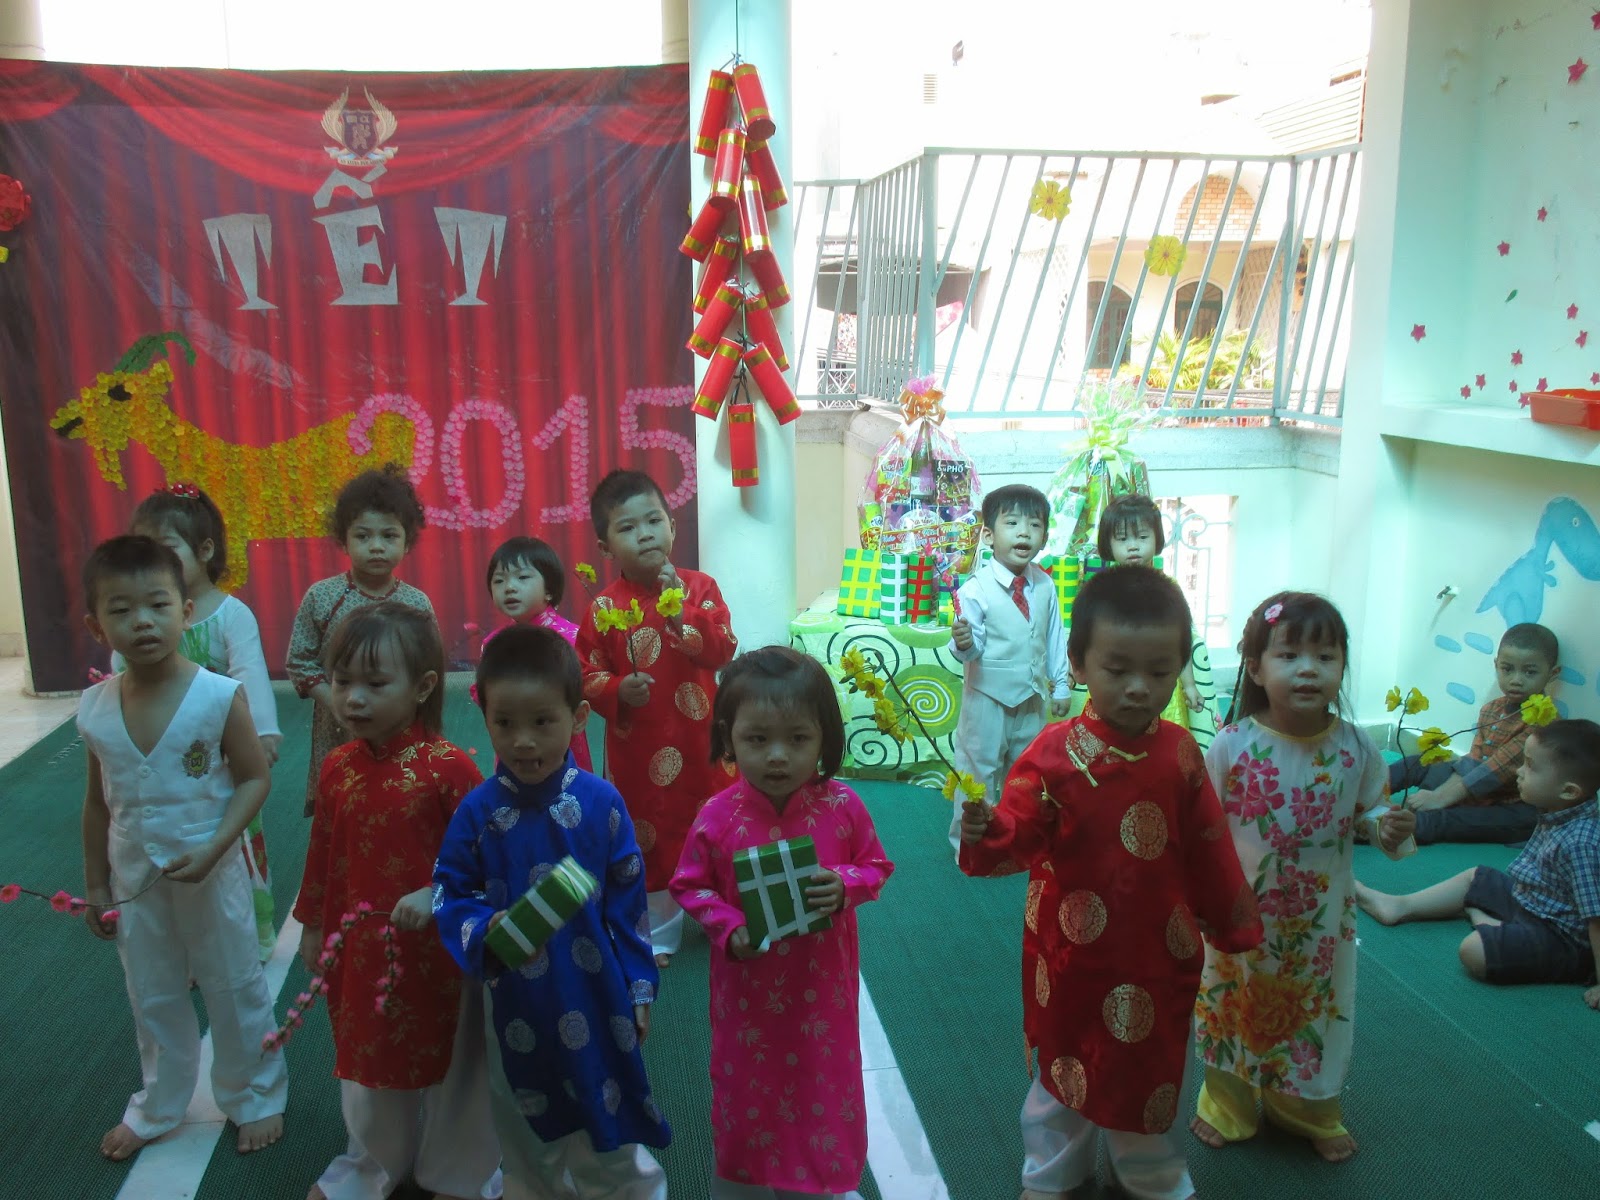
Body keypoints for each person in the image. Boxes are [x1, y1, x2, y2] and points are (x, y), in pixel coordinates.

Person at [959, 564, 1262, 1200]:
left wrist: (1233, 922)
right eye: (1117, 669)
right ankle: (1053, 1176)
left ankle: (1150, 1178)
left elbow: (1209, 846)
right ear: (1077, 663)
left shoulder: (1180, 753)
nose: (1138, 688)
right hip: (1070, 954)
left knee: (1150, 1069)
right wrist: (987, 829)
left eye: (1159, 671)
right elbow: (1018, 834)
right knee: (1061, 1070)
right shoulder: (1051, 754)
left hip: (1157, 950)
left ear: (1180, 667)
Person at [434, 625, 671, 1200]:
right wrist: (480, 927)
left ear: (578, 716)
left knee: (606, 1115)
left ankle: (625, 1191)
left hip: (598, 995)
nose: (523, 742)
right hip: (515, 1002)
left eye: (543, 722)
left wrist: (638, 986)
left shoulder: (601, 803)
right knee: (522, 1123)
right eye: (505, 723)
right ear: (485, 718)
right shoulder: (477, 813)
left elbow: (628, 907)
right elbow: (449, 891)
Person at [77, 535, 286, 1161]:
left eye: (157, 605)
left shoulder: (217, 695)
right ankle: (160, 1103)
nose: (142, 621)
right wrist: (96, 883)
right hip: (134, 882)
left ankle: (255, 1095)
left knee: (233, 982)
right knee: (153, 989)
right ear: (96, 626)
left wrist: (219, 847)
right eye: (121, 610)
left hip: (212, 871)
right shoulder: (95, 709)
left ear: (186, 612)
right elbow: (97, 804)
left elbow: (254, 778)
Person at [1190, 592, 1414, 1167]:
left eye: (1326, 657)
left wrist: (1385, 827)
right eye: (1289, 655)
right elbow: (1202, 828)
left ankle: (1307, 1110)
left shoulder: (1356, 747)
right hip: (1240, 910)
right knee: (1231, 1002)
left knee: (1315, 1010)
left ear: (1342, 667)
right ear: (1255, 668)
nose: (1309, 669)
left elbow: (1371, 811)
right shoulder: (1232, 744)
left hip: (1318, 922)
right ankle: (1228, 1104)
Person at [670, 646, 894, 1200]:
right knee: (748, 1094)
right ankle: (745, 1180)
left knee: (822, 1088)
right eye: (757, 738)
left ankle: (818, 1182)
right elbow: (689, 885)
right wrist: (728, 926)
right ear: (728, 737)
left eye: (797, 739)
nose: (777, 756)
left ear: (824, 738)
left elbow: (876, 865)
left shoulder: (842, 806)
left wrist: (844, 883)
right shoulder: (717, 816)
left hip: (821, 997)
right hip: (747, 999)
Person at [295, 603, 501, 1200]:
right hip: (361, 948)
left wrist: (438, 896)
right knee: (369, 1058)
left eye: (375, 683)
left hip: (440, 950)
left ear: (424, 687)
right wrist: (313, 925)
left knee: (455, 1061)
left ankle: (458, 1172)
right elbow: (323, 852)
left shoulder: (449, 769)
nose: (354, 698)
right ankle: (368, 1167)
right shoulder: (337, 768)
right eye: (342, 682)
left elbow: (485, 865)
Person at [575, 469, 738, 966]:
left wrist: (683, 614)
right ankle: (659, 932)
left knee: (716, 820)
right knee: (650, 832)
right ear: (605, 547)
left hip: (703, 739)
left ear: (672, 526)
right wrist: (617, 689)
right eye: (627, 528)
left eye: (653, 521)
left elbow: (723, 648)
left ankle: (722, 914)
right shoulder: (603, 607)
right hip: (638, 751)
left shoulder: (700, 587)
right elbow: (584, 673)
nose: (644, 534)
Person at [118, 483, 283, 961]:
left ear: (205, 550)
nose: (154, 560)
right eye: (145, 548)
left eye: (167, 548)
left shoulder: (231, 614)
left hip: (226, 751)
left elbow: (249, 672)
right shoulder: (148, 618)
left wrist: (261, 733)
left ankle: (252, 933)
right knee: (177, 831)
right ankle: (188, 941)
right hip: (166, 752)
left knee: (235, 837)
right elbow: (122, 668)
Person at [1357, 719, 1600, 1008]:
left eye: (1530, 766)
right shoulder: (1558, 811)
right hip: (1533, 903)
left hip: (1561, 938)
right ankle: (1399, 906)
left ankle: (1483, 920)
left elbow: (1596, 919)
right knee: (1476, 876)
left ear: (1569, 791)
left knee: (1473, 951)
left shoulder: (1582, 843)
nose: (1519, 772)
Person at [287, 464, 433, 817]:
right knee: (342, 810)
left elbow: (430, 670)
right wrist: (336, 703)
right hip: (338, 727)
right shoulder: (322, 597)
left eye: (389, 536)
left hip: (400, 728)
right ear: (344, 540)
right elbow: (299, 661)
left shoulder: (417, 604)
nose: (377, 547)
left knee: (399, 808)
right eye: (363, 536)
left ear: (407, 542)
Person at [947, 484, 1070, 852]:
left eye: (1034, 525)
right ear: (988, 535)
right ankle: (969, 845)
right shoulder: (976, 589)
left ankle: (1019, 837)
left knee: (1028, 769)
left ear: (1044, 537)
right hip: (987, 699)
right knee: (977, 770)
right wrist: (964, 643)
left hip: (1031, 696)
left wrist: (1061, 684)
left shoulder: (1045, 585)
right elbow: (971, 649)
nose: (1024, 533)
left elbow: (1053, 637)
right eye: (1012, 523)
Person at [1375, 623, 1560, 844]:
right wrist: (1442, 794)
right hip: (1469, 787)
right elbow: (1473, 761)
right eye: (1507, 669)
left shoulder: (1544, 723)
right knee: (1417, 763)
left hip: (1508, 802)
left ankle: (1394, 829)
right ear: (1496, 665)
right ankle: (1364, 788)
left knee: (1452, 820)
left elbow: (1495, 771)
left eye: (1530, 672)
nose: (1516, 680)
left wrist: (1440, 797)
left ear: (1552, 674)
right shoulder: (1491, 709)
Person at [1074, 495, 1216, 752]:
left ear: (1157, 538)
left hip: (1160, 692)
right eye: (1122, 539)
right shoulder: (1100, 592)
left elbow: (1181, 642)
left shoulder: (1169, 590)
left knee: (1162, 752)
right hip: (1113, 689)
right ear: (1107, 542)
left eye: (1142, 537)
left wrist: (1190, 685)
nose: (1133, 547)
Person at [475, 535, 592, 770]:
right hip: (513, 743)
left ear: (549, 590)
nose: (509, 587)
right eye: (499, 581)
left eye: (523, 577)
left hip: (559, 744)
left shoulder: (572, 638)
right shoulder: (492, 644)